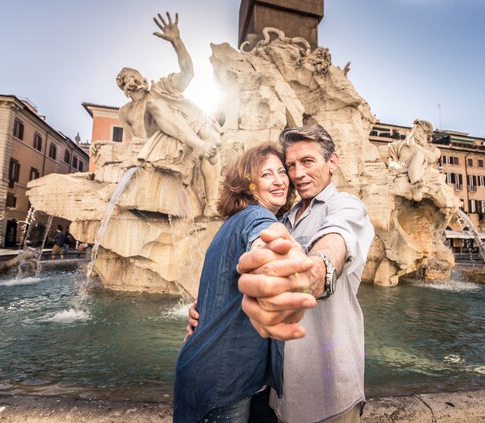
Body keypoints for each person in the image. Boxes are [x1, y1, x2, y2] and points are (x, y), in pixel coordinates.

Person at [188, 124, 375, 422]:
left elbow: (337, 239)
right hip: (279, 397)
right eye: (291, 165)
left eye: (308, 161)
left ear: (333, 162)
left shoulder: (346, 206)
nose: (297, 173)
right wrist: (210, 311)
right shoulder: (281, 220)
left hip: (328, 393)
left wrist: (314, 273)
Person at [174, 143, 304, 423]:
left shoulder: (234, 221)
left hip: (212, 368)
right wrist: (275, 254)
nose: (279, 180)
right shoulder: (258, 217)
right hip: (223, 378)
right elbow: (264, 240)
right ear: (249, 185)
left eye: (281, 172)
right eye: (266, 174)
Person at [116, 12, 222, 217]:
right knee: (155, 104)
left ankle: (211, 203)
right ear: (124, 89)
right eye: (128, 79)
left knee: (213, 139)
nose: (133, 80)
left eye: (135, 76)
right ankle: (199, 144)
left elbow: (188, 72)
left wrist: (177, 41)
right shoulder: (126, 111)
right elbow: (128, 141)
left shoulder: (161, 88)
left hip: (178, 138)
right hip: (152, 148)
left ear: (143, 78)